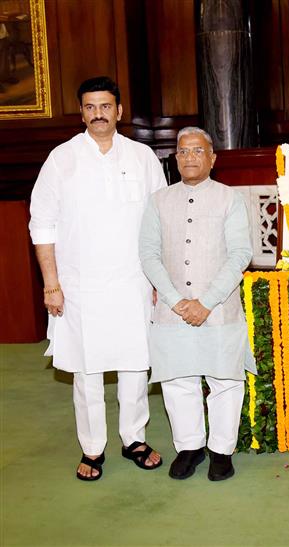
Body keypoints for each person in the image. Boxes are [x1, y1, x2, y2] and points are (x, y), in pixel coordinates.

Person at [29, 76, 165, 481]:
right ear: (82, 112)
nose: (98, 114)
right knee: (86, 370)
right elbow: (42, 224)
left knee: (134, 364)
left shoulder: (142, 157)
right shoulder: (61, 159)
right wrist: (51, 284)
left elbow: (160, 220)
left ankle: (134, 438)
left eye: (105, 106)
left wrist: (159, 279)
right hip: (80, 286)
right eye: (90, 107)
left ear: (119, 111)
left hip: (134, 282)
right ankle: (92, 448)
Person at [139, 127, 256, 481]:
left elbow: (240, 255)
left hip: (219, 309)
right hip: (171, 312)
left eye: (197, 151)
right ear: (176, 158)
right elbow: (148, 255)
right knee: (178, 379)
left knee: (225, 380)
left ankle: (221, 450)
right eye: (183, 151)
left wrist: (205, 302)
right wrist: (177, 302)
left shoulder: (229, 199)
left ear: (212, 158)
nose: (190, 157)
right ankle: (189, 447)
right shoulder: (158, 200)